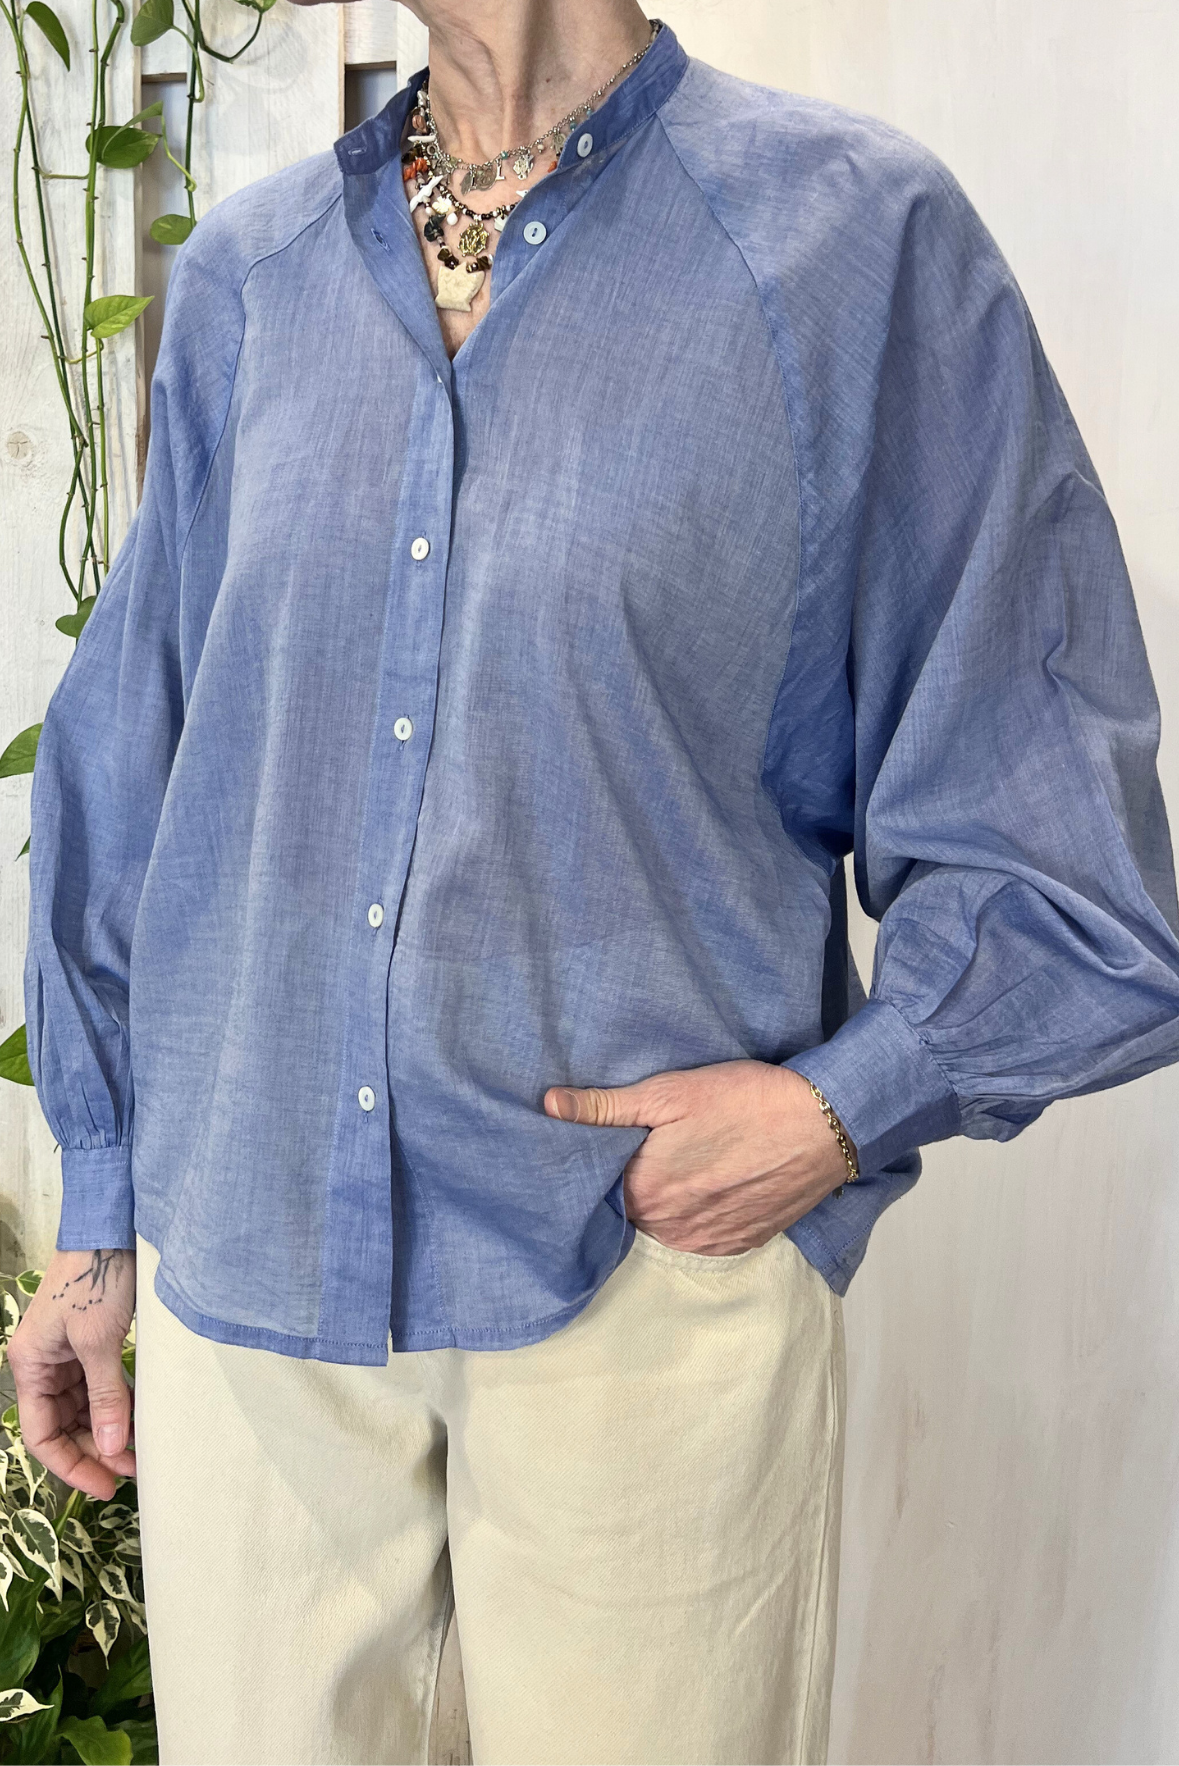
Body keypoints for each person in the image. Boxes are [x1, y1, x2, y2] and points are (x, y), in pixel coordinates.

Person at [10, 1, 1179, 1761]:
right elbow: (133, 767)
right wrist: (96, 1217)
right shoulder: (253, 275)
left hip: (643, 1286)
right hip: (260, 1296)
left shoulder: (850, 244)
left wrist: (840, 1106)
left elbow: (1043, 800)